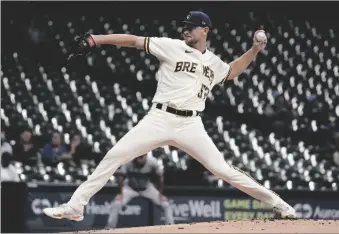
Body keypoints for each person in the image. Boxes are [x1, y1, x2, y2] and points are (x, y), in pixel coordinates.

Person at [43, 11, 296, 222]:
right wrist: (96, 39)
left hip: (191, 124)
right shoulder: (171, 46)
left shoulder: (214, 62)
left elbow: (231, 72)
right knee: (114, 156)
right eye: (184, 27)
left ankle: (280, 205)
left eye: (191, 27)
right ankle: (76, 207)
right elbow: (133, 41)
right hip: (159, 118)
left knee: (224, 170)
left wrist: (254, 50)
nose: (185, 31)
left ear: (205, 30)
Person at [105, 153, 174, 228]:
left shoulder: (152, 162)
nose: (139, 159)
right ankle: (109, 228)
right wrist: (121, 194)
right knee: (116, 204)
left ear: (146, 156)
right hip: (130, 188)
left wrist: (160, 195)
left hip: (147, 188)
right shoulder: (129, 161)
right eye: (138, 157)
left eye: (141, 157)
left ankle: (171, 228)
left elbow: (160, 178)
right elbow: (121, 177)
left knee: (166, 204)